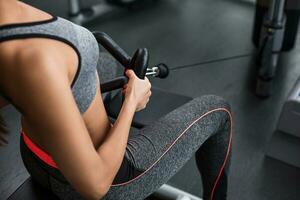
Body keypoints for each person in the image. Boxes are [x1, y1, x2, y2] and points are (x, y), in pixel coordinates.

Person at [0, 1, 232, 200]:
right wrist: (132, 101)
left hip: (34, 155)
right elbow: (96, 185)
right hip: (108, 180)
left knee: (105, 62)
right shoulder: (36, 60)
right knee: (219, 111)